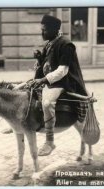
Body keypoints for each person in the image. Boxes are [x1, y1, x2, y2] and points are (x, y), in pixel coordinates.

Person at [31, 15, 88, 156]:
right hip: (49, 81)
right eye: (41, 30)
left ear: (54, 30)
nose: (41, 33)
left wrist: (43, 80)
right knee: (25, 92)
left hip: (63, 82)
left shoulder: (66, 45)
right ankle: (19, 124)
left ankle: (49, 141)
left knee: (47, 103)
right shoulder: (49, 43)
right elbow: (46, 65)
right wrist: (39, 59)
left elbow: (63, 70)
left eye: (44, 30)